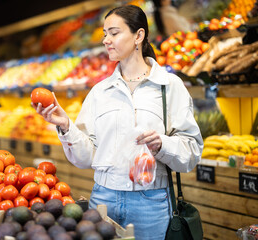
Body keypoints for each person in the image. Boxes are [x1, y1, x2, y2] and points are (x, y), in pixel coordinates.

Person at [33, 5, 203, 240]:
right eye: (104, 34)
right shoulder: (99, 92)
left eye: (114, 33)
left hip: (151, 202)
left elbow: (192, 151)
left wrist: (162, 144)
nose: (106, 40)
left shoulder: (169, 86)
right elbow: (85, 159)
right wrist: (65, 126)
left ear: (138, 36)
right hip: (103, 198)